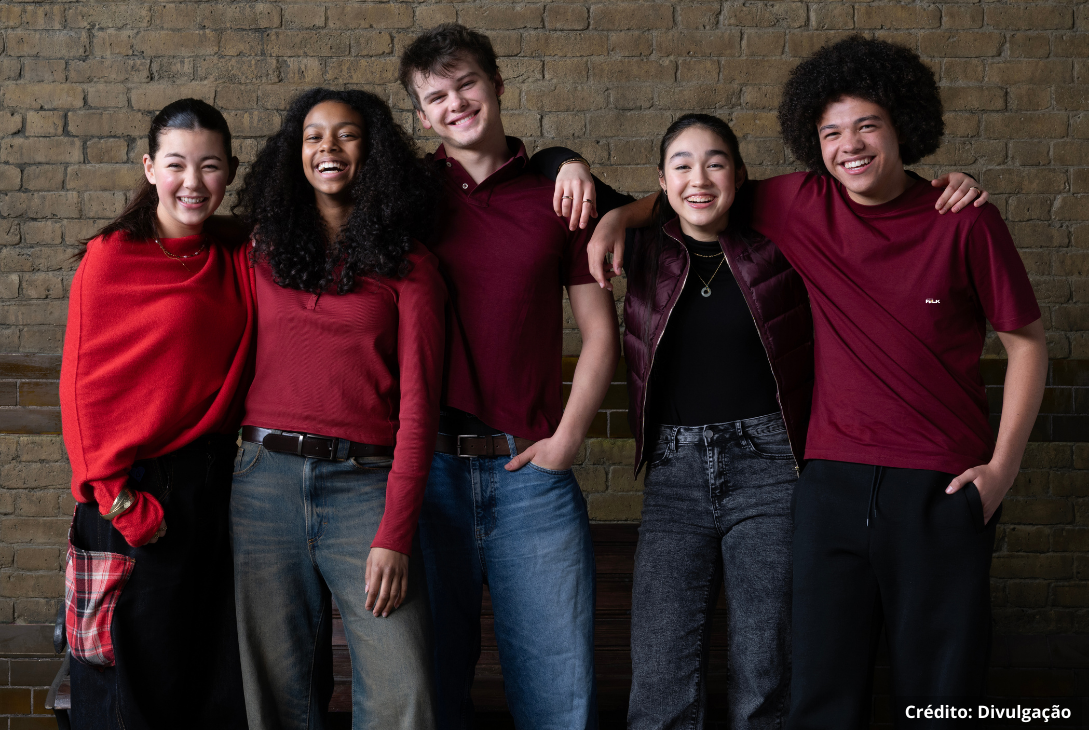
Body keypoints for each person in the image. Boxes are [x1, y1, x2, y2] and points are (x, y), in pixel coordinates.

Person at [585, 35, 1046, 729]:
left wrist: (1001, 470)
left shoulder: (964, 218)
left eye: (866, 126)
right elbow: (697, 194)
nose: (848, 145)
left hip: (940, 482)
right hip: (827, 480)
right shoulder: (798, 203)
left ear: (901, 128)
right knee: (818, 691)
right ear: (813, 142)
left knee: (940, 692)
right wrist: (617, 216)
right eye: (830, 132)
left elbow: (1026, 344)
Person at [398, 24, 620, 730]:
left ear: (497, 85)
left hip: (531, 475)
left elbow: (600, 334)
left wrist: (566, 442)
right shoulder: (404, 200)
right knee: (430, 690)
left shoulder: (558, 196)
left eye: (466, 83)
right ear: (422, 115)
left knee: (557, 696)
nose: (455, 102)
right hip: (424, 472)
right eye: (436, 96)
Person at [229, 88, 445, 730]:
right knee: (275, 691)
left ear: (372, 150)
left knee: (401, 688)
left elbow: (421, 410)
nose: (328, 148)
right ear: (294, 154)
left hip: (365, 489)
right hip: (261, 482)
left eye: (346, 134)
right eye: (313, 136)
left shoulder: (412, 266)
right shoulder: (260, 253)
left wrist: (396, 531)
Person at [60, 98, 251, 730]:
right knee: (129, 694)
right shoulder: (111, 257)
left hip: (220, 484)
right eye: (176, 165)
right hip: (140, 491)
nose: (193, 183)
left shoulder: (233, 253)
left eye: (211, 166)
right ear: (149, 168)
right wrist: (116, 499)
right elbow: (81, 392)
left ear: (229, 172)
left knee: (209, 683)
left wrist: (560, 163)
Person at [617, 113, 813, 729]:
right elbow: (560, 172)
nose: (698, 178)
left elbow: (857, 187)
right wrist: (619, 214)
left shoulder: (780, 245)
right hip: (673, 474)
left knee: (764, 668)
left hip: (770, 468)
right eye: (681, 164)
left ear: (740, 175)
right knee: (660, 675)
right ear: (660, 183)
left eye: (716, 162)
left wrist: (951, 182)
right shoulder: (641, 247)